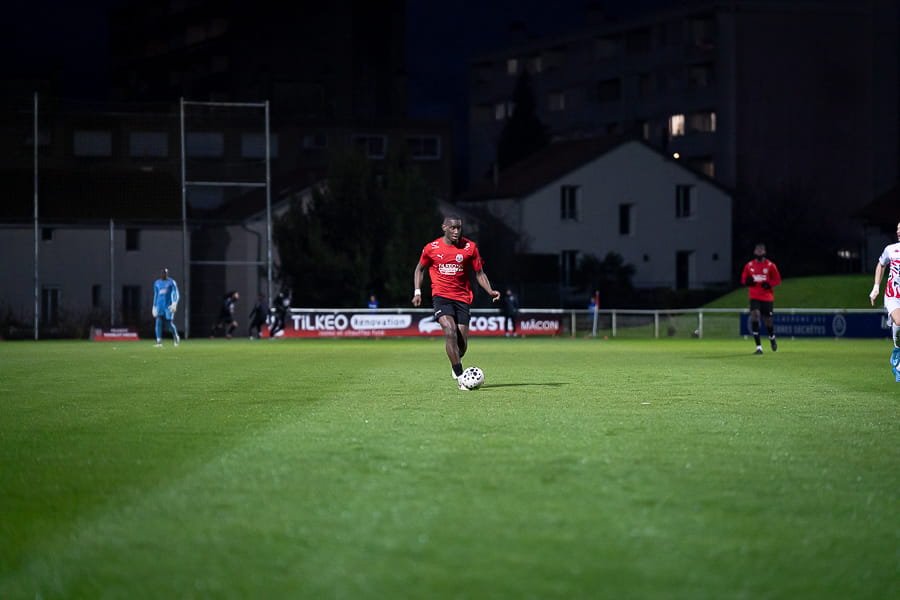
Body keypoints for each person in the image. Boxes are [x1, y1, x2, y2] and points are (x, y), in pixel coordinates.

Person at [413, 215, 501, 390]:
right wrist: (417, 291)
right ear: (444, 227)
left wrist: (490, 291)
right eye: (452, 228)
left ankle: (456, 360)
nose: (456, 231)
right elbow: (419, 269)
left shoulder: (470, 248)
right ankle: (460, 376)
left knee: (462, 345)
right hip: (441, 296)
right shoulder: (431, 248)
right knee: (450, 330)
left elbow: (479, 273)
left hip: (462, 298)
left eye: (459, 228)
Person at [868, 219, 900, 383]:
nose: (898, 231)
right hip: (893, 295)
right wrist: (876, 287)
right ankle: (897, 352)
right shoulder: (891, 249)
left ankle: (898, 362)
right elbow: (881, 265)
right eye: (897, 228)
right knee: (899, 321)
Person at [740, 243, 782, 354]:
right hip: (754, 296)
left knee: (768, 321)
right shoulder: (749, 266)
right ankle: (759, 347)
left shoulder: (770, 265)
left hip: (767, 297)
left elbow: (777, 280)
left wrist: (769, 284)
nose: (759, 252)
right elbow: (743, 279)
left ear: (764, 252)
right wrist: (747, 281)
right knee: (755, 315)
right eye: (757, 250)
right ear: (754, 252)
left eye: (761, 250)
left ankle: (772, 337)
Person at [152, 268, 180, 347]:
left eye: (165, 273)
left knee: (169, 324)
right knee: (158, 322)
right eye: (163, 273)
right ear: (161, 274)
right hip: (159, 305)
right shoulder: (157, 283)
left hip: (168, 306)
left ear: (167, 274)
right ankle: (159, 341)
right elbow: (156, 294)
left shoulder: (171, 282)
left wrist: (174, 303)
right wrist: (154, 306)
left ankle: (175, 336)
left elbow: (176, 293)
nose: (164, 274)